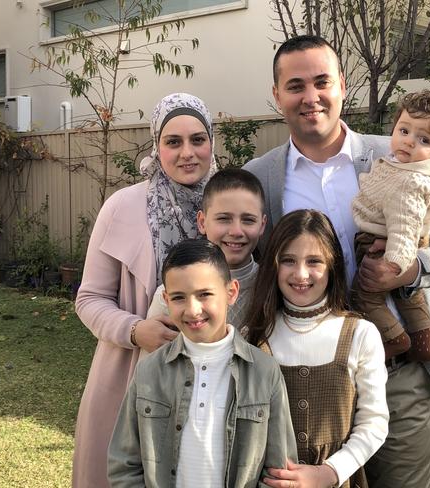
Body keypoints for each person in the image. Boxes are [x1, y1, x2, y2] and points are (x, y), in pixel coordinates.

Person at [244, 35, 430, 487]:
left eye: (322, 81)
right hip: (305, 380)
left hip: (395, 367)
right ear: (277, 95)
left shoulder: (401, 152)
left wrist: (412, 268)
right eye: (295, 85)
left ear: (343, 85)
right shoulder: (259, 176)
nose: (311, 97)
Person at [73, 93, 216, 488]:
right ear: (157, 146)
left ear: (211, 142)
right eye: (173, 142)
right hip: (132, 375)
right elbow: (89, 299)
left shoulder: (228, 202)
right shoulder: (123, 206)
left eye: (197, 139)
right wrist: (137, 331)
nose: (187, 153)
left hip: (212, 379)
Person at [108, 239, 297, 487]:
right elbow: (123, 465)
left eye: (204, 294)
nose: (193, 310)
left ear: (231, 292)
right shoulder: (149, 371)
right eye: (178, 298)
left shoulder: (264, 371)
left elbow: (279, 471)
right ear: (165, 298)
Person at [246, 210, 388, 488]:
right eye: (288, 261)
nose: (301, 274)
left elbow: (374, 423)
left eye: (314, 261)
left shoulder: (360, 334)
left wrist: (329, 473)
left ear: (333, 265)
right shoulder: (254, 336)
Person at [350, 90, 430, 362]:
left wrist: (399, 266)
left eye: (424, 139)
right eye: (404, 131)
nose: (409, 142)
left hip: (382, 245)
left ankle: (395, 339)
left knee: (365, 296)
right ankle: (424, 343)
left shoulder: (409, 182)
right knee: (409, 296)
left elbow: (403, 223)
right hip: (406, 242)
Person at [143, 168, 267, 346]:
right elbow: (151, 368)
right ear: (202, 222)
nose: (236, 231)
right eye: (224, 219)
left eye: (248, 220)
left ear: (262, 225)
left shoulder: (270, 287)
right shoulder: (173, 295)